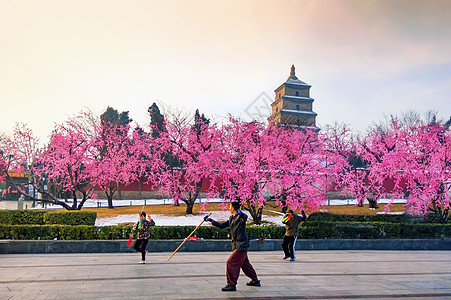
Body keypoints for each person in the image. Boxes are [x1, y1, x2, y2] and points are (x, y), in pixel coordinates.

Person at [204, 201, 261, 292]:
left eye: (230, 207)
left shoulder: (241, 217)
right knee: (245, 265)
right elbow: (222, 226)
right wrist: (211, 220)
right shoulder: (231, 218)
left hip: (241, 245)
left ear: (234, 208)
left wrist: (240, 212)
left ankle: (231, 284)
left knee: (231, 262)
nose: (229, 209)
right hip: (236, 245)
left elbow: (244, 217)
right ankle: (255, 281)